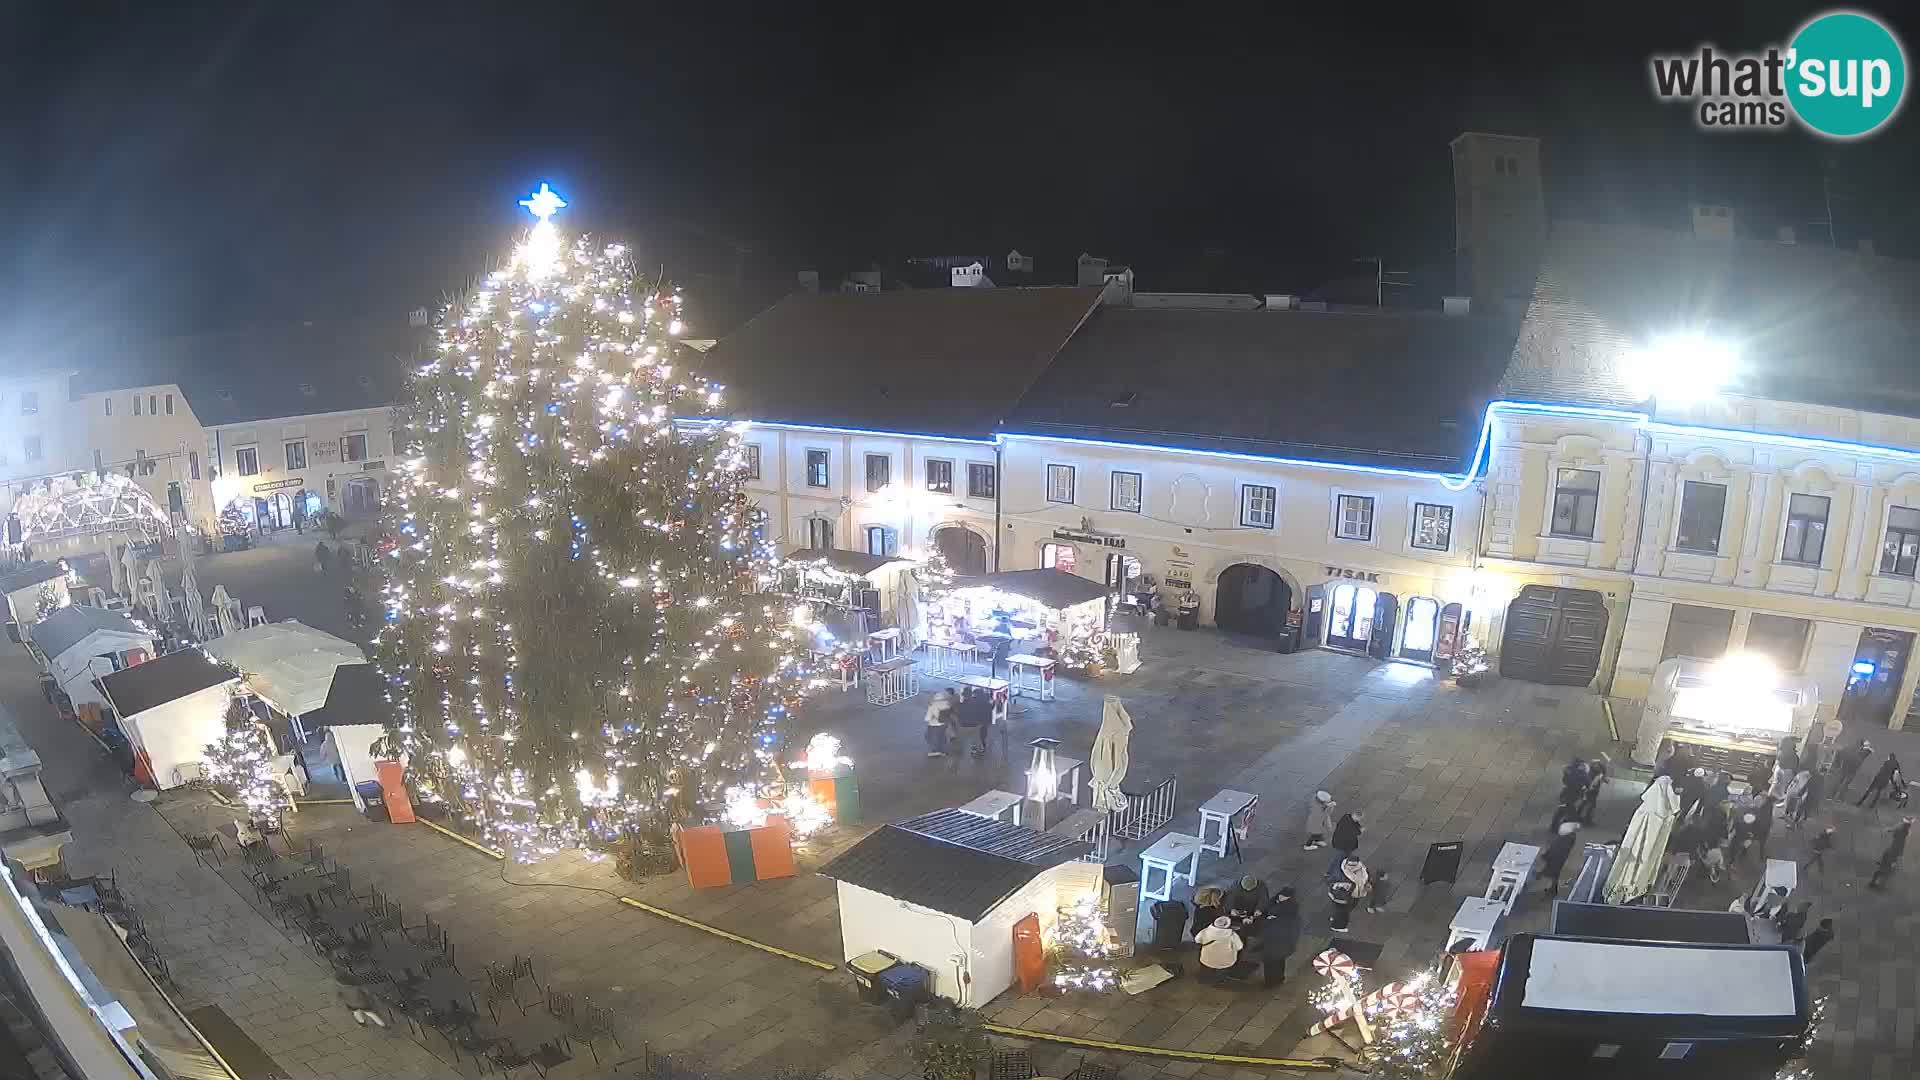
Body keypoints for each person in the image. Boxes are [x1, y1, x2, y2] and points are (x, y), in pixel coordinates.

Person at [1259, 888, 1300, 988]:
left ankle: (1270, 982)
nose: (1281, 897)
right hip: (1280, 945)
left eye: (1284, 896)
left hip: (1274, 944)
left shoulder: (1285, 912)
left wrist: (1268, 919)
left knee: (1271, 963)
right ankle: (1278, 979)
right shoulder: (1285, 907)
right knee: (1279, 962)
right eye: (1281, 895)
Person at [1194, 916, 1245, 983]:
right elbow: (1240, 946)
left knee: (1207, 964)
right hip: (1226, 962)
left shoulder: (1205, 931)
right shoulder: (1232, 935)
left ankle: (1207, 977)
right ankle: (1221, 979)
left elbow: (1197, 940)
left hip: (1206, 960)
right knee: (1224, 967)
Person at [1327, 855, 1370, 931]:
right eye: (1350, 865)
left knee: (1347, 908)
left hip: (1357, 893)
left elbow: (1366, 877)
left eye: (1354, 865)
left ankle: (1336, 917)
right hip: (1345, 894)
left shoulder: (1362, 868)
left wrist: (1367, 884)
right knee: (1342, 909)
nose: (1352, 867)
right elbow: (1332, 880)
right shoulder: (1341, 871)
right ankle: (1337, 922)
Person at [1541, 820, 1580, 896]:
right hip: (1560, 859)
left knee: (1554, 875)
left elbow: (1555, 849)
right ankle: (1552, 889)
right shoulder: (1570, 837)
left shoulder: (1564, 839)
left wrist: (1547, 855)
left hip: (1557, 860)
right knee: (1555, 876)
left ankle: (1552, 891)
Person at [1578, 753, 1611, 825]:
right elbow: (1603, 779)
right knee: (1591, 805)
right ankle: (1587, 819)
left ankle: (1578, 816)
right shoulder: (1598, 773)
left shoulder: (1590, 771)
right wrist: (1605, 779)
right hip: (1592, 790)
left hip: (1588, 789)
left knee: (1584, 803)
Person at [923, 689, 955, 756]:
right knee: (942, 736)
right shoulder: (947, 703)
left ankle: (935, 750)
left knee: (929, 736)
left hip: (934, 724)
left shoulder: (932, 705)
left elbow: (927, 718)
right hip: (944, 723)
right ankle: (943, 750)